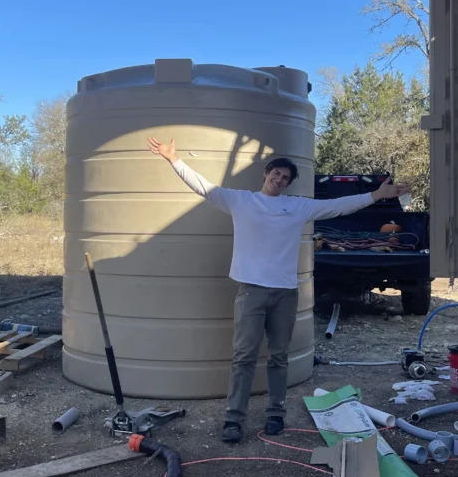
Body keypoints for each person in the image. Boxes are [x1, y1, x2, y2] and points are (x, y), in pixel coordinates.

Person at [147, 137, 409, 443]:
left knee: (279, 357)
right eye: (276, 174)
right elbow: (203, 186)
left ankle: (276, 414)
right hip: (252, 292)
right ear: (265, 174)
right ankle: (233, 419)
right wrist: (173, 159)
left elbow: (337, 207)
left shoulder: (296, 207)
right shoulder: (240, 200)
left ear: (288, 184)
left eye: (285, 178)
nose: (279, 180)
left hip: (285, 293)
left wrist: (377, 195)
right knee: (244, 357)